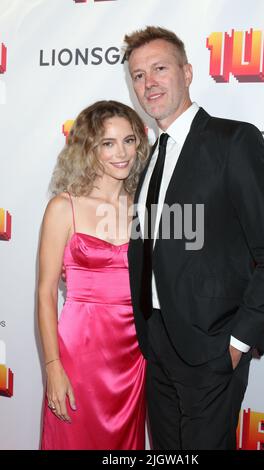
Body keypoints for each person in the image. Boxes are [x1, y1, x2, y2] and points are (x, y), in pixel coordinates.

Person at [123, 26, 264, 450]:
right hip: (156, 343)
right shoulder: (148, 159)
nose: (149, 83)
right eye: (139, 76)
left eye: (159, 69)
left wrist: (237, 344)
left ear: (187, 72)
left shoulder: (233, 141)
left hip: (212, 348)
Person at [38, 100, 149, 450]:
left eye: (129, 141)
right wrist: (53, 367)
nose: (122, 153)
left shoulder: (146, 207)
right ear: (89, 148)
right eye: (108, 143)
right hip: (79, 352)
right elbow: (44, 294)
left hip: (134, 354)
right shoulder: (64, 207)